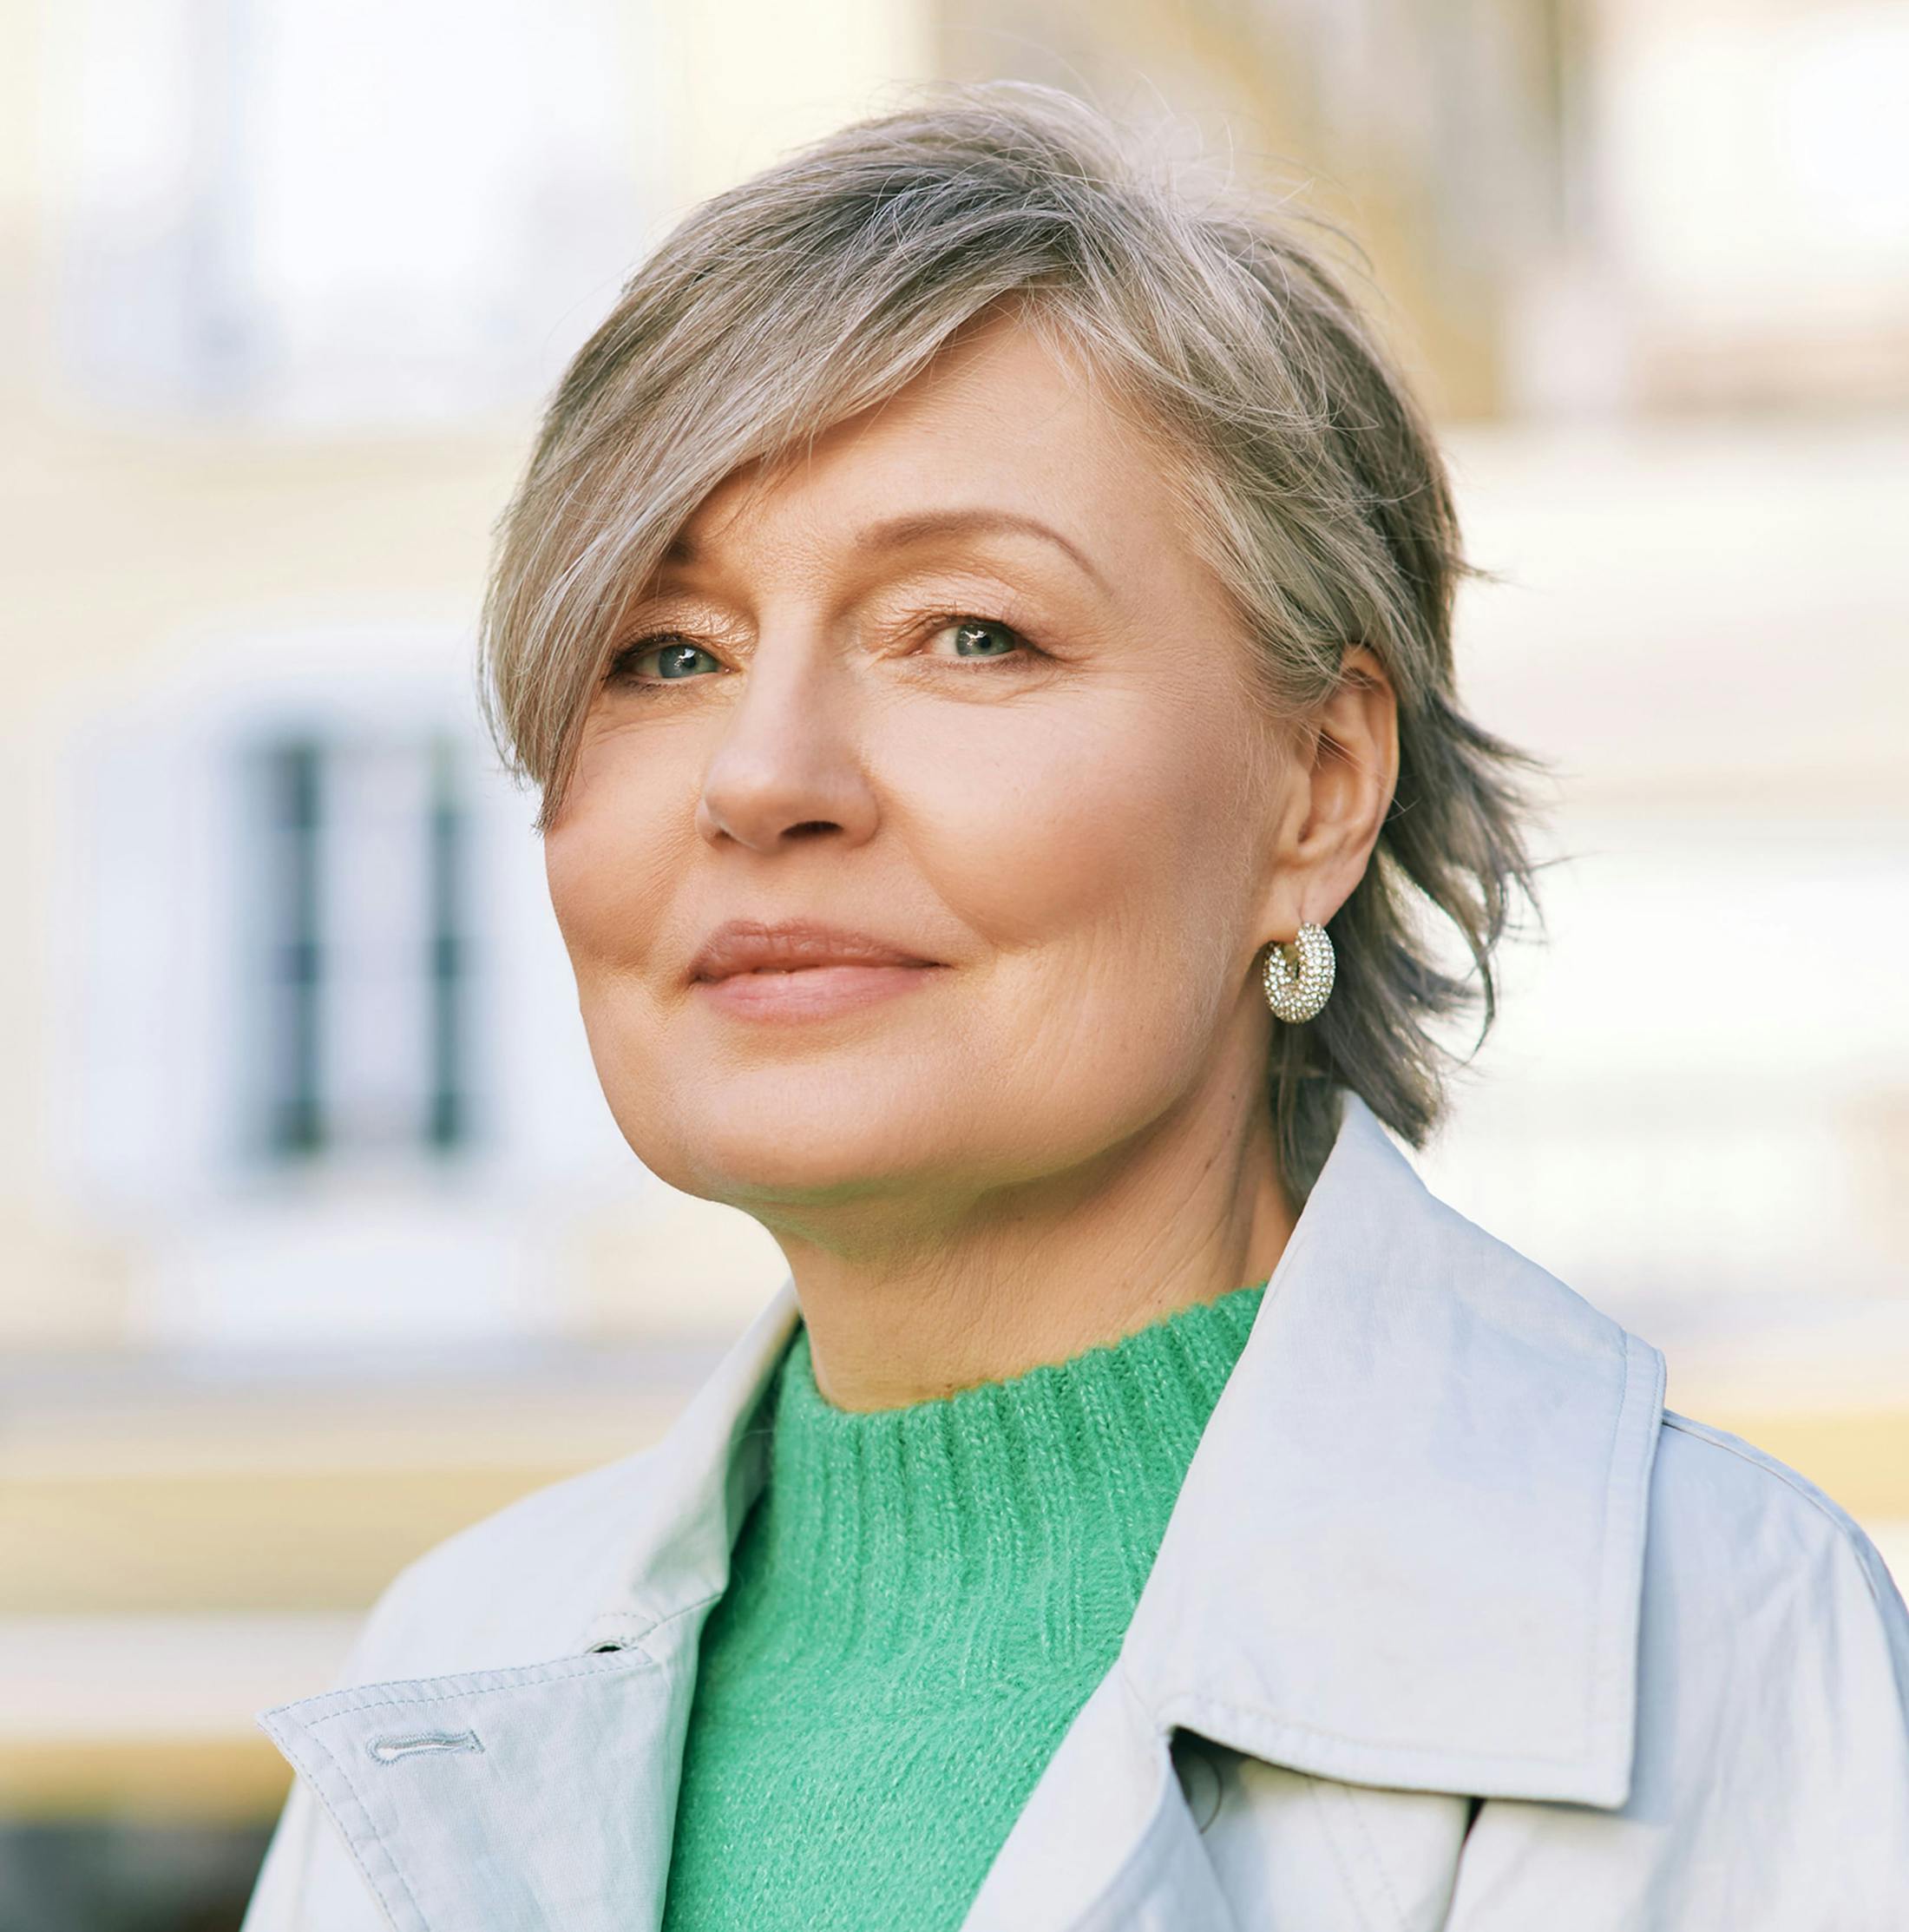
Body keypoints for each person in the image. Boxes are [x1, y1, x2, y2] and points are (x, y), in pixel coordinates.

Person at [238, 83, 1909, 1932]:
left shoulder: (1712, 1634)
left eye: (971, 633)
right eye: (665, 654)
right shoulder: (451, 1675)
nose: (762, 773)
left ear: (1316, 787)